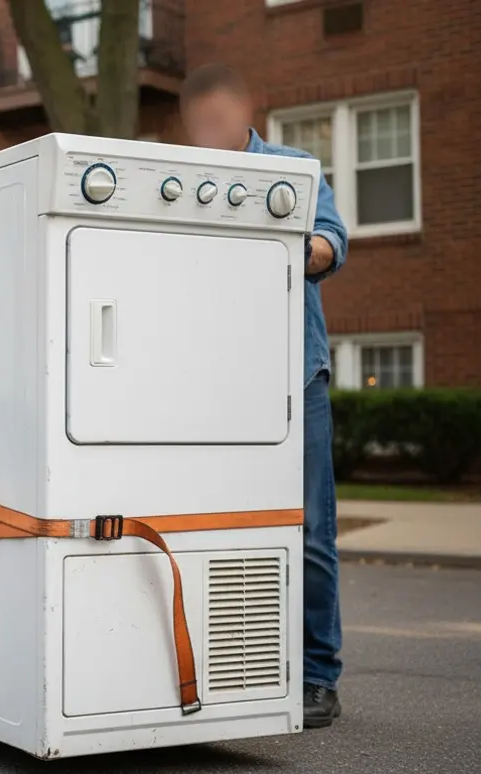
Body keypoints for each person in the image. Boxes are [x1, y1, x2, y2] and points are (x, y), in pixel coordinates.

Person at [179, 63, 349, 728]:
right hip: (210, 385)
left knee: (307, 530)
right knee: (211, 527)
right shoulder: (182, 178)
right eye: (199, 119)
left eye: (219, 115)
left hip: (291, 379)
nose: (209, 128)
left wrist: (277, 241)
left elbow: (330, 246)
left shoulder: (292, 168)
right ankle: (229, 667)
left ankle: (317, 675)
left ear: (242, 110)